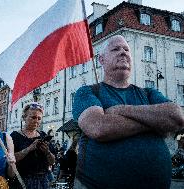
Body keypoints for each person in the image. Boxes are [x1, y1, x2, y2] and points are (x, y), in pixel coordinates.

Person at [72, 35, 184, 189]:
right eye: (116, 49)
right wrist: (156, 122)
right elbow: (99, 127)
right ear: (101, 59)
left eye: (126, 49)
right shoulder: (88, 92)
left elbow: (177, 117)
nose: (123, 52)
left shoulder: (148, 93)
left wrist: (120, 110)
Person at [11, 102, 55, 189]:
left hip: (43, 180)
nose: (36, 121)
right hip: (23, 180)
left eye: (39, 118)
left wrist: (47, 152)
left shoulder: (43, 135)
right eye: (33, 117)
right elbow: (10, 159)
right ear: (24, 117)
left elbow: (52, 161)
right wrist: (29, 149)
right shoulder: (15, 136)